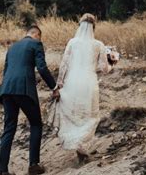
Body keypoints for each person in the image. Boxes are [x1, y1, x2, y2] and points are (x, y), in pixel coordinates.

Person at [48, 13, 115, 163]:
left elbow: (64, 65)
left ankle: (79, 148)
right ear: (94, 27)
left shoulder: (72, 42)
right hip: (89, 83)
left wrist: (59, 85)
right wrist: (112, 62)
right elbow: (104, 68)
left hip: (72, 82)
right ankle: (81, 147)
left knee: (74, 114)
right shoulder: (99, 44)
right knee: (89, 116)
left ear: (80, 26)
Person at [0, 24, 59, 175]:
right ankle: (33, 164)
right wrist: (54, 87)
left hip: (6, 90)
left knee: (9, 128)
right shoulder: (36, 44)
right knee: (36, 123)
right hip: (23, 90)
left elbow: (6, 71)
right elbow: (42, 68)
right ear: (37, 35)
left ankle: (3, 172)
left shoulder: (12, 47)